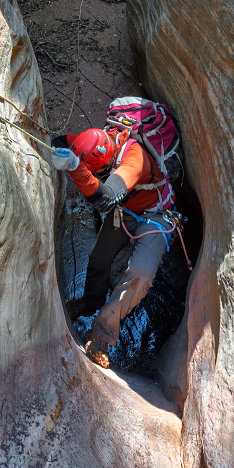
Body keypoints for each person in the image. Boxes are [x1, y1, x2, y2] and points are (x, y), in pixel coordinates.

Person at [51, 126, 176, 369]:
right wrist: (55, 148)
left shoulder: (133, 159)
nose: (97, 175)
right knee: (99, 257)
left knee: (140, 273)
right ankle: (90, 302)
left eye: (98, 172)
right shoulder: (95, 141)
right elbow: (64, 140)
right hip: (128, 209)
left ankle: (101, 335)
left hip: (157, 214)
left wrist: (76, 167)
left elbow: (106, 198)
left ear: (106, 163)